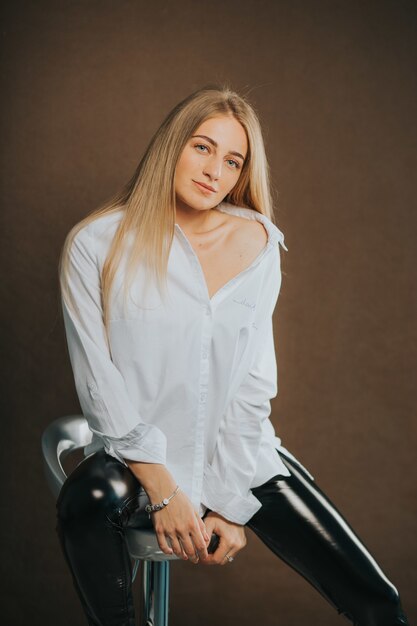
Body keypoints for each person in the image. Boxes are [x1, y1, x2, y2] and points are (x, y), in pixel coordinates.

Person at [55, 85, 410, 626]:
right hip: (138, 459)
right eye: (201, 147)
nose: (213, 171)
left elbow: (251, 384)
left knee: (378, 602)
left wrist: (229, 501)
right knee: (86, 499)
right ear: (171, 147)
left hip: (238, 453)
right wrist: (165, 488)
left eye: (232, 160)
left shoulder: (259, 244)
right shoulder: (95, 244)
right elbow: (98, 383)